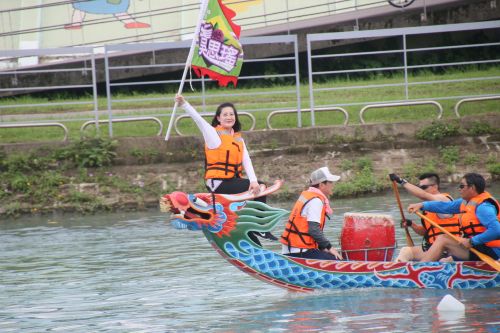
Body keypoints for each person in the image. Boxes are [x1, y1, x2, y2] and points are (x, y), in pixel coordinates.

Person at [175, 94, 277, 242]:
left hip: (232, 181)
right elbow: (199, 120)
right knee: (260, 188)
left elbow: (246, 161)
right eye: (225, 114)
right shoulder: (213, 134)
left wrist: (253, 181)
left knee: (259, 187)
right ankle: (260, 227)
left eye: (232, 114)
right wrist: (184, 104)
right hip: (218, 183)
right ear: (218, 118)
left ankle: (250, 230)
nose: (229, 117)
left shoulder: (237, 138)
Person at [407, 173, 500, 262]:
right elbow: (445, 206)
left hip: (493, 250)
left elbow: (496, 230)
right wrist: (421, 205)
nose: (459, 189)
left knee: (443, 239)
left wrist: (472, 241)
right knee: (445, 260)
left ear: (472, 188)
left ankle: (421, 269)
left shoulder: (484, 207)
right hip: (479, 246)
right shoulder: (465, 202)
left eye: (462, 186)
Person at [389, 173, 460, 262]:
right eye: (419, 187)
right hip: (433, 248)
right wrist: (412, 225)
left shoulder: (444, 199)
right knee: (406, 251)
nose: (420, 190)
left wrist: (401, 181)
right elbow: (427, 231)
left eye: (423, 187)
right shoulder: (428, 208)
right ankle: (397, 272)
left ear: (435, 187)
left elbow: (423, 195)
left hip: (450, 249)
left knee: (443, 261)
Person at [280, 167, 343, 260]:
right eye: (330, 182)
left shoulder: (308, 196)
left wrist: (323, 248)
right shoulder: (316, 201)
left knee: (331, 255)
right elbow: (313, 230)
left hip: (293, 249)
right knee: (338, 260)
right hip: (299, 252)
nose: (332, 185)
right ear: (322, 185)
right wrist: (330, 248)